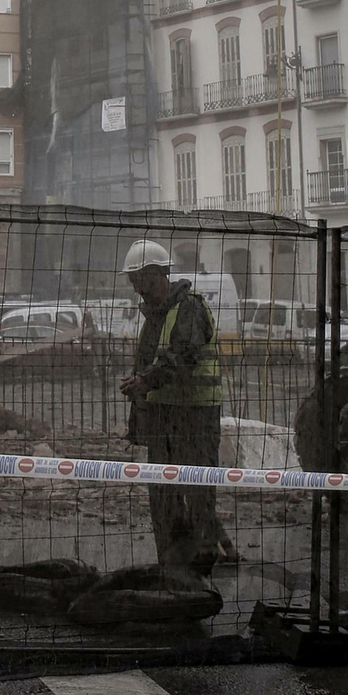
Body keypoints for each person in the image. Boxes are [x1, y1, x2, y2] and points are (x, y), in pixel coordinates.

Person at [119, 239, 225, 577]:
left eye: (140, 280)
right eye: (133, 282)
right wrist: (142, 384)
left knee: (196, 489)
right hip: (163, 417)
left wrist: (146, 381)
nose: (137, 289)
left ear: (157, 274)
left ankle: (201, 564)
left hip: (194, 417)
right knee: (163, 493)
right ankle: (172, 563)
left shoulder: (189, 309)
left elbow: (182, 354)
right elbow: (154, 363)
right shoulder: (155, 315)